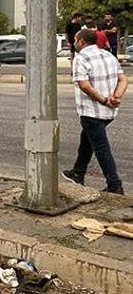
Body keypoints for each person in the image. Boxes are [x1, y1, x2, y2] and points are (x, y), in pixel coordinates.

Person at [62, 29, 128, 195]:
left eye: (75, 40)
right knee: (87, 139)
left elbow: (84, 85)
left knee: (101, 147)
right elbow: (123, 79)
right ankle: (78, 172)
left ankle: (114, 184)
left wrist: (104, 100)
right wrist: (116, 97)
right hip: (109, 112)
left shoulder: (81, 58)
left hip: (92, 112)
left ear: (82, 41)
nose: (73, 42)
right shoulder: (108, 55)